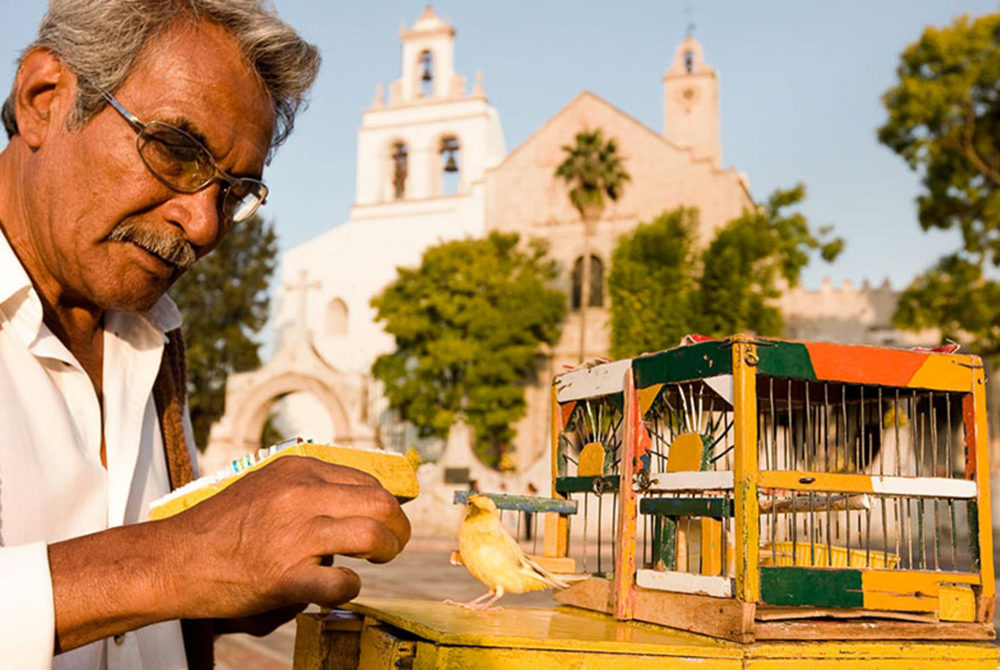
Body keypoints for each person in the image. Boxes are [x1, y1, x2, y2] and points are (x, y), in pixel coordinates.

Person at [0, 1, 410, 668]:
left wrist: (227, 588)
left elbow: (129, 624)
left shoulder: (151, 345)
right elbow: (163, 566)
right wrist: (178, 559)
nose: (204, 223)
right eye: (175, 150)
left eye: (233, 190)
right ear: (45, 100)